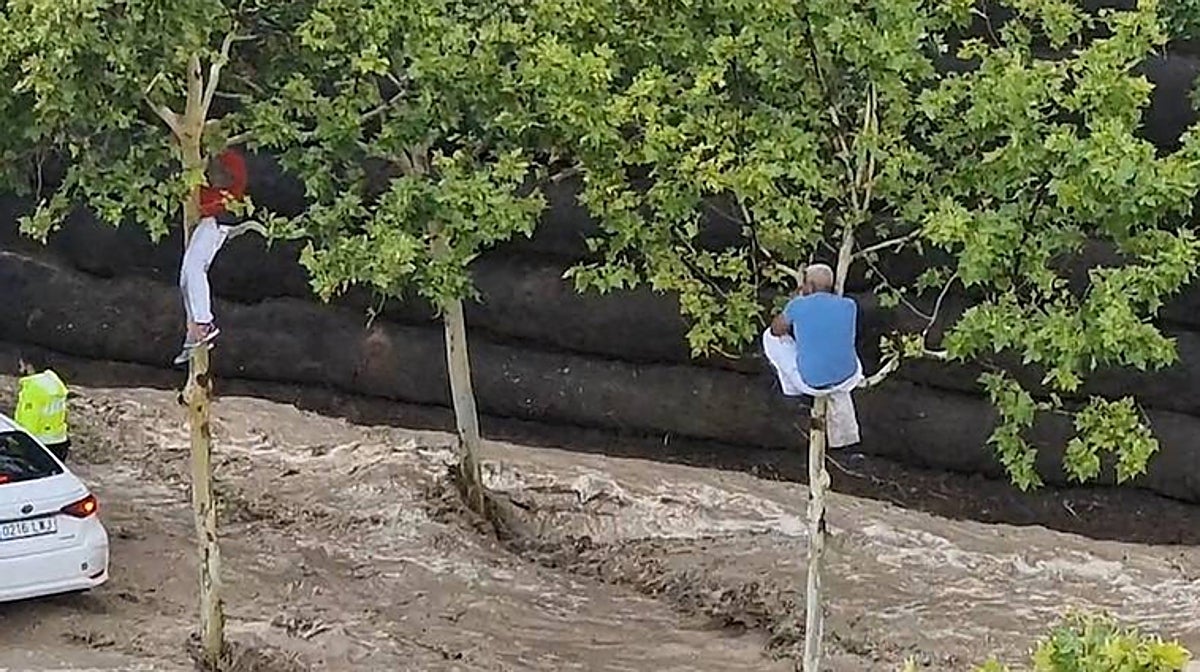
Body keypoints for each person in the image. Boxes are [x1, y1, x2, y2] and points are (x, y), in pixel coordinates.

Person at [763, 263, 864, 448]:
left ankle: (791, 389)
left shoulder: (798, 305)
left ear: (808, 286)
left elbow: (776, 330)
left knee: (769, 337)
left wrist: (793, 302)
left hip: (812, 383)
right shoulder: (850, 305)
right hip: (849, 378)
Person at [175, 148, 253, 366]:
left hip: (218, 218)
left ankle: (203, 323)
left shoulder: (228, 157)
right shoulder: (214, 156)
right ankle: (194, 330)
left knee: (194, 268)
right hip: (210, 216)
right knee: (185, 278)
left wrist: (203, 165)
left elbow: (223, 180)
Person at [14, 360, 70, 461]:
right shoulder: (53, 382)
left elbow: (30, 420)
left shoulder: (34, 388)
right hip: (59, 439)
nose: (20, 369)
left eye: (21, 365)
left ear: (30, 366)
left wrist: (21, 442)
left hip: (40, 443)